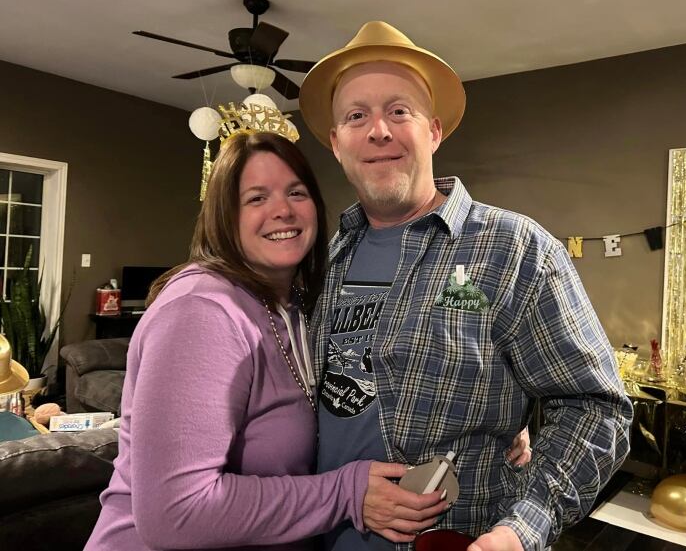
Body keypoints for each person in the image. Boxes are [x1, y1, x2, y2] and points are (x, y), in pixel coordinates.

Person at [298, 22, 633, 551]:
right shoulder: (320, 261)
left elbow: (595, 407)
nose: (378, 131)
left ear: (433, 131)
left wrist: (522, 529)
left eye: (398, 111)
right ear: (337, 143)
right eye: (356, 116)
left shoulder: (515, 248)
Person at [85, 129, 447, 551]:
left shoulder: (295, 304)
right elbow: (176, 514)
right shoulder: (202, 311)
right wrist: (345, 493)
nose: (282, 211)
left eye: (296, 193)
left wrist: (495, 418)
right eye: (256, 198)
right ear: (224, 215)